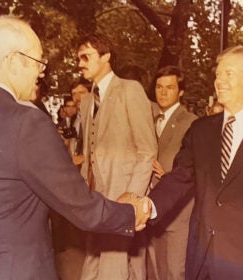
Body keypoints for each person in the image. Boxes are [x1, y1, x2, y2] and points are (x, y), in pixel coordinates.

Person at [0, 16, 150, 280]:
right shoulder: (25, 121)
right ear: (12, 61)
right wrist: (131, 213)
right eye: (38, 61)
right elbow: (79, 205)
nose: (42, 72)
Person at [127, 45, 243, 279]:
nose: (219, 81)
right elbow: (179, 178)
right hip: (201, 259)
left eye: (229, 74)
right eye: (218, 74)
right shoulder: (201, 131)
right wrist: (147, 205)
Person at [77, 33, 157, 280]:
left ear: (106, 57)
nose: (80, 63)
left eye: (86, 57)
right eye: (78, 58)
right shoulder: (87, 100)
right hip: (94, 196)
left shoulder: (129, 90)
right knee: (93, 259)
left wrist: (131, 197)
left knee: (115, 265)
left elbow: (147, 150)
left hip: (121, 195)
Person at [147, 65, 197, 280]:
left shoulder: (191, 123)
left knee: (174, 271)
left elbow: (193, 169)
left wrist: (169, 176)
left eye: (169, 87)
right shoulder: (147, 118)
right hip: (148, 205)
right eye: (159, 87)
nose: (163, 92)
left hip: (177, 210)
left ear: (181, 91)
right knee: (153, 270)